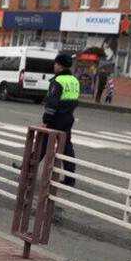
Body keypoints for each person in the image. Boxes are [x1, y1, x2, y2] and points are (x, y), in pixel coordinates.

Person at [43, 53, 80, 187]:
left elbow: (52, 104)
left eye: (55, 63)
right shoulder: (74, 81)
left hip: (56, 119)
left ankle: (28, 170)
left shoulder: (57, 81)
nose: (54, 66)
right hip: (68, 117)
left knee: (43, 143)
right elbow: (75, 101)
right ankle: (70, 178)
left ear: (59, 65)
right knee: (67, 147)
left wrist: (46, 120)